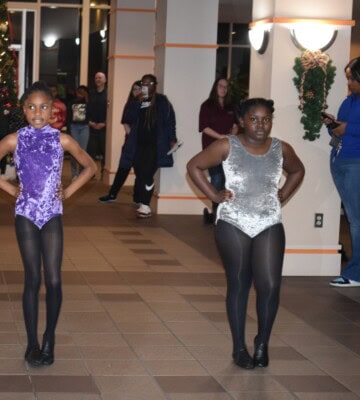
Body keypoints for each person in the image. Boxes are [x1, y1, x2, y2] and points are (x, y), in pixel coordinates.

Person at [0, 81, 97, 367]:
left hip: (52, 213)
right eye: (31, 107)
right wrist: (10, 190)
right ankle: (32, 343)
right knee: (33, 278)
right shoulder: (14, 139)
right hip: (26, 214)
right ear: (23, 109)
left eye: (43, 107)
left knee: (54, 278)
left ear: (53, 110)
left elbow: (91, 166)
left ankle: (49, 337)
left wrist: (68, 191)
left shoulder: (63, 140)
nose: (37, 112)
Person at [187, 98, 305, 369]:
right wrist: (214, 196)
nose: (260, 125)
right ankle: (239, 348)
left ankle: (262, 342)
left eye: (266, 119)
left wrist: (283, 194)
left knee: (270, 285)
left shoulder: (281, 148)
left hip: (269, 222)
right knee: (239, 284)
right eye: (254, 119)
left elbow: (298, 170)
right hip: (233, 222)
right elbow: (194, 166)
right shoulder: (227, 145)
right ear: (242, 121)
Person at [323, 57, 360, 288]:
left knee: (356, 221)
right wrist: (333, 126)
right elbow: (339, 130)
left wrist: (349, 128)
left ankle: (355, 273)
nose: (348, 83)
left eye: (351, 78)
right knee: (354, 219)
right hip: (339, 160)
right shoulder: (349, 101)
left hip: (355, 163)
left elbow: (351, 129)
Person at [122, 74, 177, 218]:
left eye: (149, 83)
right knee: (140, 172)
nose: (146, 86)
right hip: (139, 143)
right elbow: (128, 118)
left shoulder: (161, 101)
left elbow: (170, 120)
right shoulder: (137, 100)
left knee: (147, 173)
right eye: (143, 83)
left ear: (154, 85)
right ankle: (142, 199)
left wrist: (172, 138)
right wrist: (137, 103)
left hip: (155, 144)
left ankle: (146, 205)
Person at [198, 77, 238, 223]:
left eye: (226, 87)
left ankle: (223, 212)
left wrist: (231, 136)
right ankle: (215, 211)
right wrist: (220, 137)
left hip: (228, 149)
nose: (223, 89)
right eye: (221, 86)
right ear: (215, 87)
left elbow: (235, 124)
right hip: (211, 149)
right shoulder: (207, 105)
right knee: (216, 178)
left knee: (227, 180)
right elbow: (204, 127)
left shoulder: (231, 106)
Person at [99, 80, 142, 203]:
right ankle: (113, 194)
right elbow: (126, 123)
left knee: (140, 172)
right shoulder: (130, 104)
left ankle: (138, 197)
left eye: (139, 89)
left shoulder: (147, 105)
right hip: (130, 143)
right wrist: (133, 138)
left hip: (143, 144)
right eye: (134, 89)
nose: (137, 91)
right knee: (123, 169)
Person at [67, 85, 89, 180]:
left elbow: (91, 114)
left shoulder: (88, 103)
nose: (80, 94)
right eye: (79, 92)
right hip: (74, 127)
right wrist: (68, 128)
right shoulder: (72, 103)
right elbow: (68, 116)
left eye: (83, 92)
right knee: (74, 150)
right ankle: (74, 173)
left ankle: (81, 172)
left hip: (85, 127)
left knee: (83, 150)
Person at [87, 72, 108, 175]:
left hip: (105, 128)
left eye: (100, 78)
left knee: (105, 152)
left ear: (105, 80)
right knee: (90, 152)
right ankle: (90, 174)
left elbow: (112, 111)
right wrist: (89, 121)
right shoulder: (91, 94)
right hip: (92, 127)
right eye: (96, 78)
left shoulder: (109, 94)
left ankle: (104, 174)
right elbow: (87, 109)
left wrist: (105, 123)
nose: (97, 80)